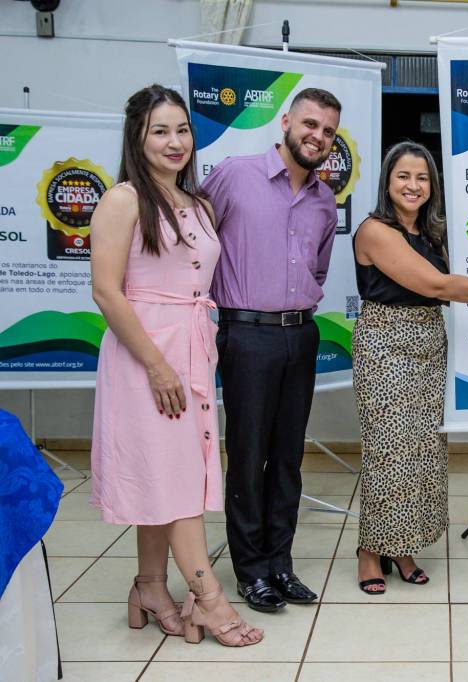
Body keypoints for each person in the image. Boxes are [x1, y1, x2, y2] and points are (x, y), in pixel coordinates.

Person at [90, 84, 261, 646]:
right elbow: (107, 291)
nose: (175, 141)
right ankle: (209, 600)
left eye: (182, 129)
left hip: (192, 348)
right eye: (160, 131)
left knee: (166, 473)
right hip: (145, 355)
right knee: (175, 477)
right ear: (137, 138)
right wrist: (156, 366)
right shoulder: (121, 200)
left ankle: (149, 585)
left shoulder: (199, 205)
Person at [351, 141, 468, 594]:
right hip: (385, 345)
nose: (413, 185)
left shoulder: (432, 233)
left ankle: (402, 545)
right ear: (387, 181)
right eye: (403, 176)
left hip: (429, 345)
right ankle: (370, 551)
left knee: (421, 451)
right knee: (388, 451)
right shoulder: (375, 231)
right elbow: (438, 285)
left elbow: (456, 280)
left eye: (422, 178)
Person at [200, 88, 340, 613]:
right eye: (310, 124)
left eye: (328, 131)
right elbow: (195, 241)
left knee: (287, 457)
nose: (318, 137)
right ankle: (251, 570)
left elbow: (318, 268)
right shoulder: (235, 175)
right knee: (248, 453)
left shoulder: (324, 200)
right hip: (247, 334)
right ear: (286, 122)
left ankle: (280, 563)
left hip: (300, 334)